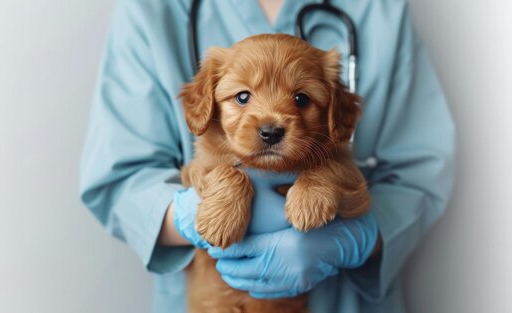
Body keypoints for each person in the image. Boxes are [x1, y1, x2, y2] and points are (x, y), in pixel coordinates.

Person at [80, 0, 455, 312]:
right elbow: (118, 178)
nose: (271, 123)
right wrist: (189, 213)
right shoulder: (152, 9)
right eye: (241, 98)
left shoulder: (375, 8)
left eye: (302, 99)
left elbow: (419, 172)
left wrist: (354, 238)